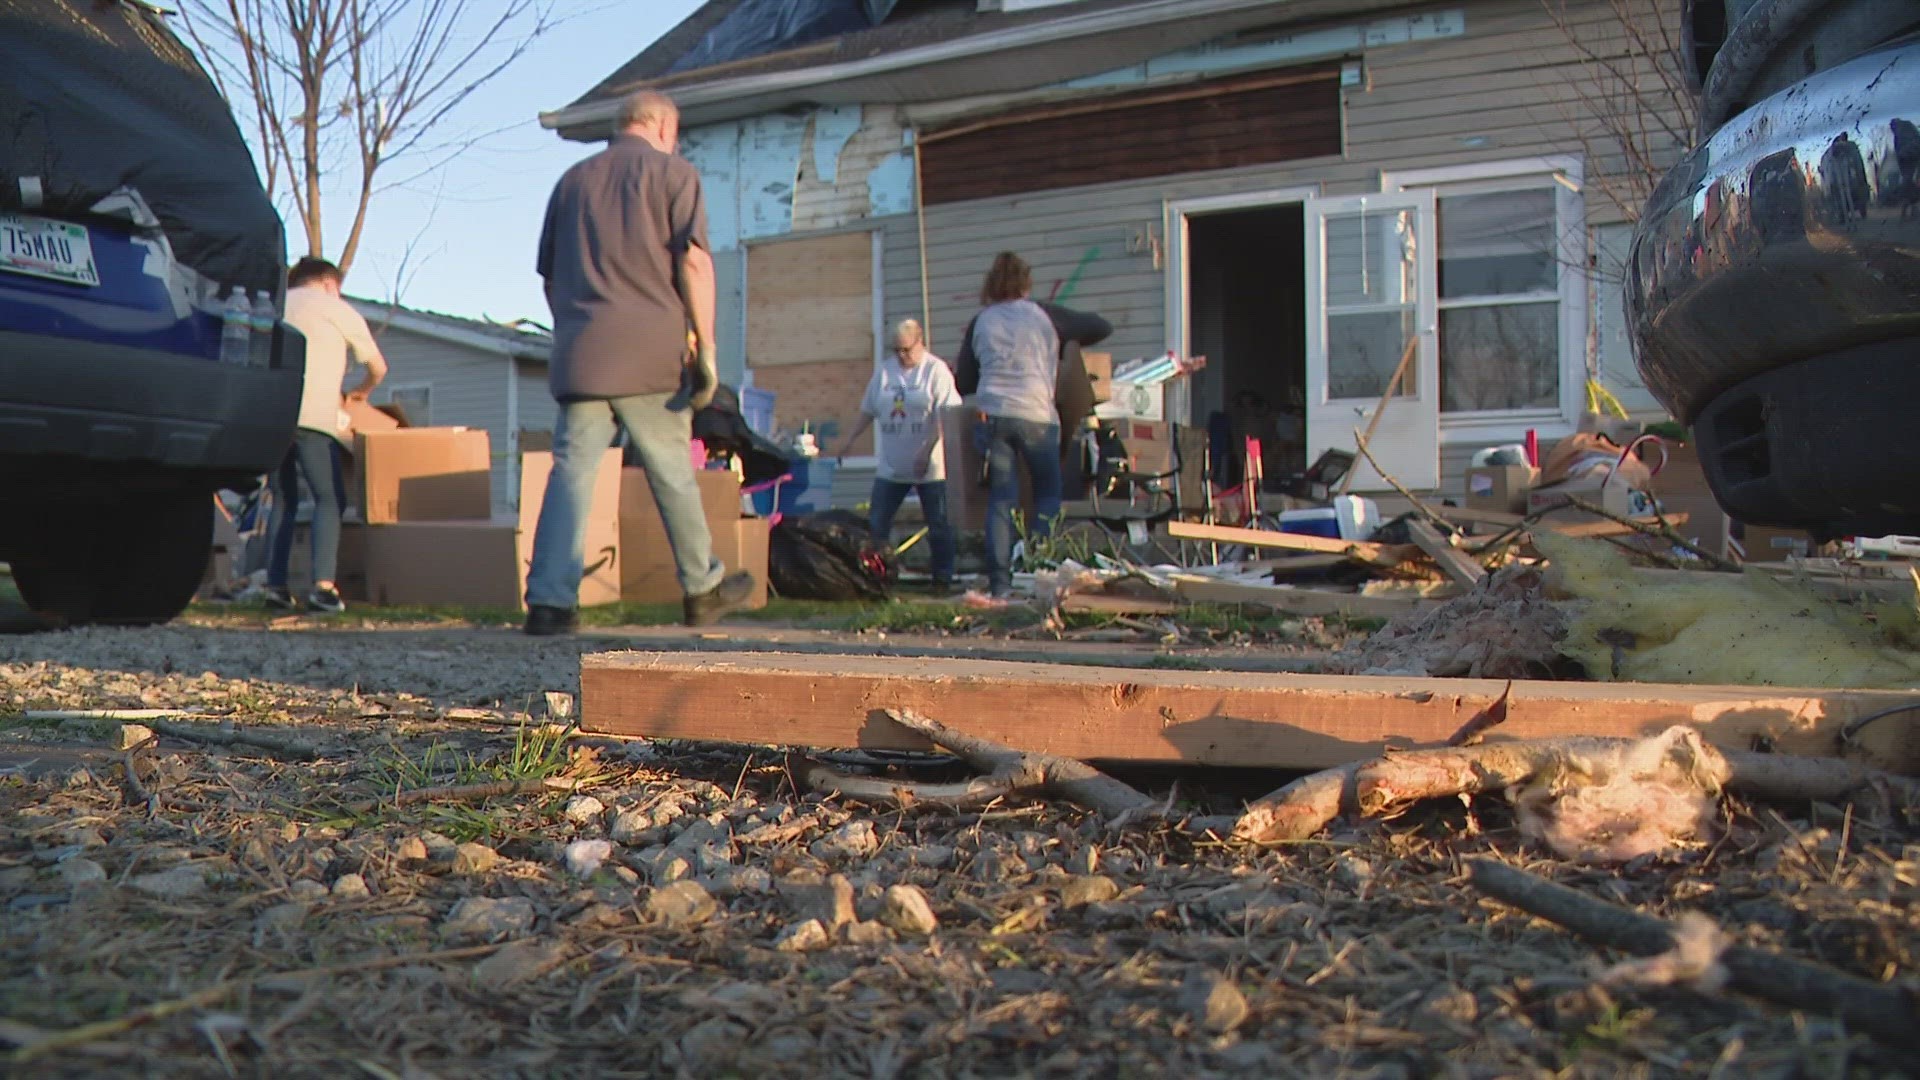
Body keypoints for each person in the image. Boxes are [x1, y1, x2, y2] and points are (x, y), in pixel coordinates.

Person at [525, 89, 755, 635]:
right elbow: (694, 263)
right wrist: (707, 341)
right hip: (651, 350)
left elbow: (550, 280)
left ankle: (550, 602)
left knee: (571, 476)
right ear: (660, 126)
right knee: (671, 470)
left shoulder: (572, 183)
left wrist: (577, 330)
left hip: (583, 355)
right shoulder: (675, 176)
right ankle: (702, 588)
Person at [265, 256, 387, 613]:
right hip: (315, 418)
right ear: (330, 283)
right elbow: (378, 367)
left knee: (282, 499)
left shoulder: (276, 306)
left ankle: (275, 585)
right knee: (328, 498)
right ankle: (323, 587)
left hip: (272, 416)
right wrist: (360, 392)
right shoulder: (337, 308)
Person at [947, 252, 1065, 598]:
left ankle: (1000, 584)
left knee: (1001, 499)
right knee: (1047, 494)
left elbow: (964, 382)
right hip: (1038, 416)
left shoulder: (982, 321)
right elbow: (1098, 327)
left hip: (995, 415)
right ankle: (1039, 572)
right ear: (1026, 282)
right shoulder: (1043, 318)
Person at [838, 318, 961, 594]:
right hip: (892, 464)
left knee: (938, 523)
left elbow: (945, 416)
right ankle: (877, 576)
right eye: (898, 351)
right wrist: (849, 440)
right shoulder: (885, 373)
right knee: (878, 522)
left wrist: (926, 450)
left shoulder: (935, 371)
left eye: (907, 350)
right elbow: (868, 410)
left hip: (928, 465)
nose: (903, 356)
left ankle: (942, 578)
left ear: (920, 343)